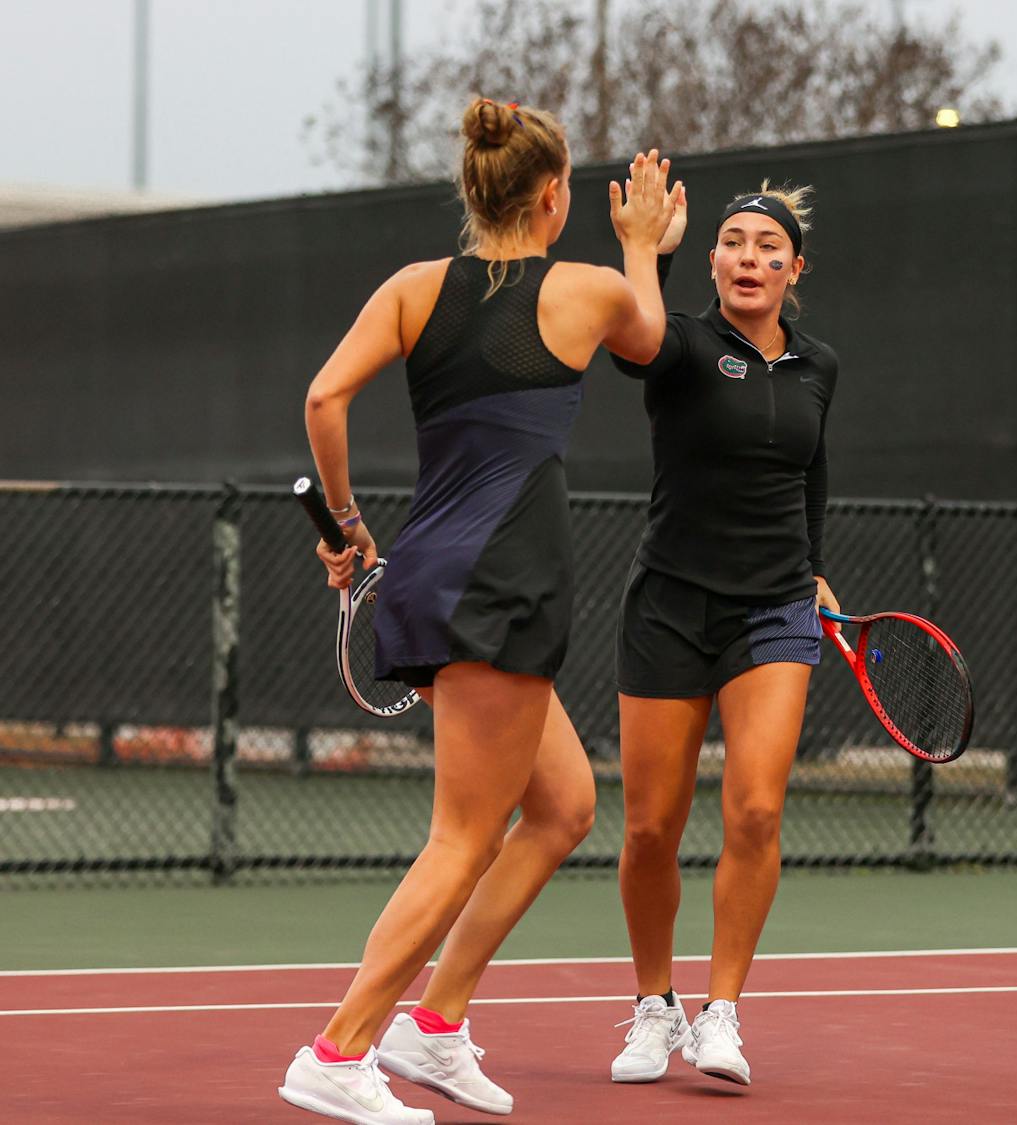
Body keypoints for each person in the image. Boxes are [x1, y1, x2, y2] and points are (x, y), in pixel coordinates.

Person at [278, 98, 679, 1125]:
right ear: (555, 200)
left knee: (561, 810)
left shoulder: (414, 288)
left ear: (472, 190)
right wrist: (639, 244)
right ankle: (339, 1048)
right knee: (463, 837)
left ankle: (436, 1024)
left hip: (432, 570)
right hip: (502, 583)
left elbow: (326, 398)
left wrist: (345, 527)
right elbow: (651, 340)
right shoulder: (590, 290)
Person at [606, 182, 839, 1088]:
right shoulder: (684, 343)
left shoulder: (820, 365)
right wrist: (647, 254)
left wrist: (814, 566)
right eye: (733, 243)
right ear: (711, 262)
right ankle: (653, 1007)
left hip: (774, 609)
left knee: (755, 809)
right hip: (668, 605)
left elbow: (813, 475)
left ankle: (723, 1013)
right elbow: (634, 348)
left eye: (766, 246)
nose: (749, 257)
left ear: (794, 268)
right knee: (650, 830)